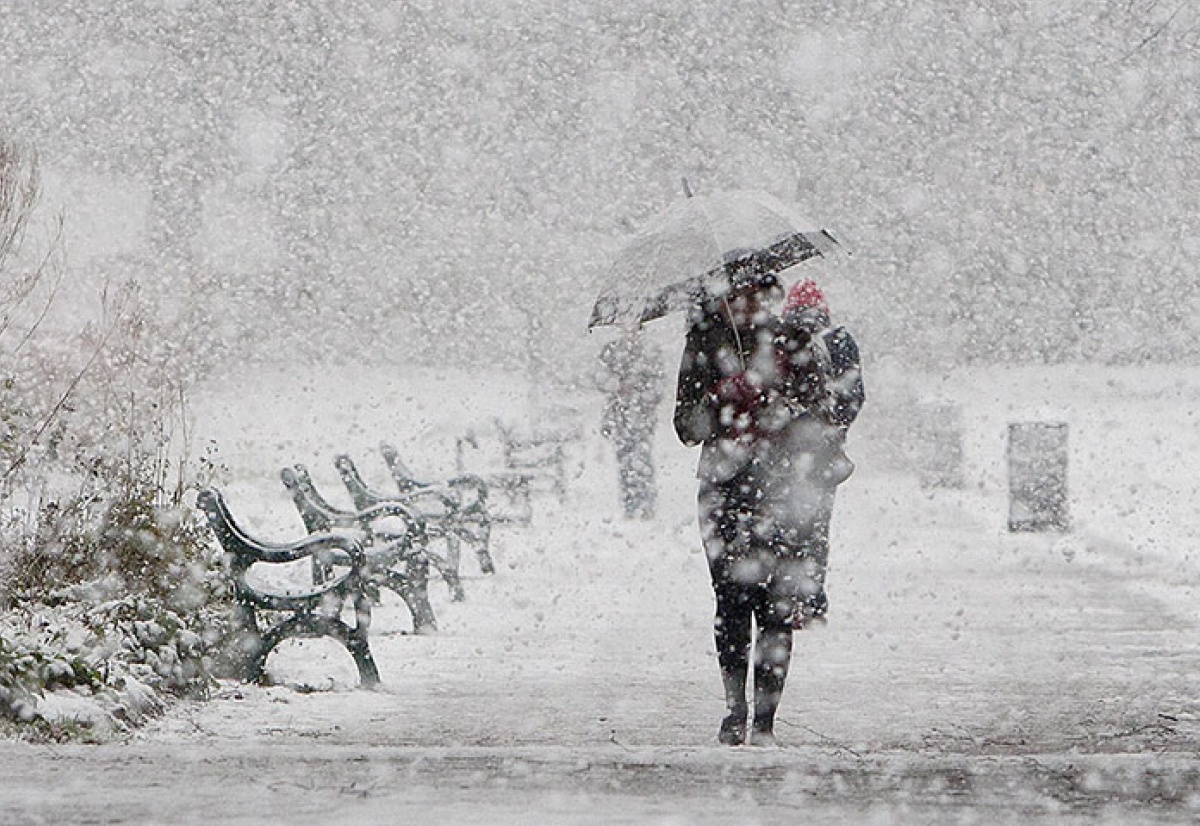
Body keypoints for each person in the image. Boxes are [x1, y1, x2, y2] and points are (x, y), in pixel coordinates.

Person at [673, 270, 863, 747]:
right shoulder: (703, 343)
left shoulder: (793, 341)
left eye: (758, 292)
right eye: (739, 293)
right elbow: (686, 426)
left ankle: (766, 722)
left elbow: (825, 412)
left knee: (777, 606)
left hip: (781, 489)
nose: (749, 302)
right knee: (732, 604)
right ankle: (735, 711)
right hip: (724, 488)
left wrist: (778, 403)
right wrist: (724, 397)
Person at [597, 327, 665, 519]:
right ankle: (630, 501)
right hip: (620, 414)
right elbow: (600, 380)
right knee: (624, 457)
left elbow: (659, 385)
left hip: (642, 415)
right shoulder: (611, 351)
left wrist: (641, 392)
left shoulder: (649, 354)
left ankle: (646, 501)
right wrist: (616, 386)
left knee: (642, 455)